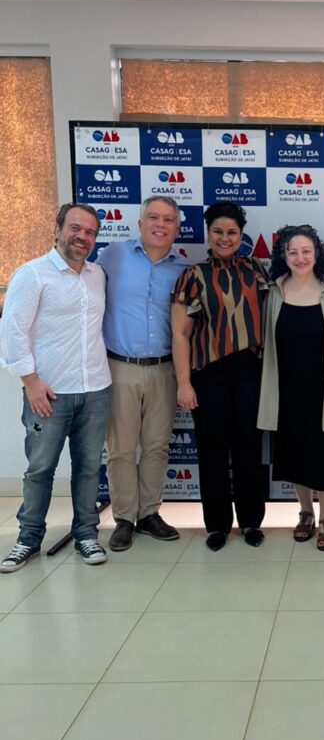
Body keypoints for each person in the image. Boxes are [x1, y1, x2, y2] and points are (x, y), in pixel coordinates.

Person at [0, 203, 112, 571]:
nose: (82, 237)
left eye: (90, 232)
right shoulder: (32, 274)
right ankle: (28, 539)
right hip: (48, 393)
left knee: (88, 469)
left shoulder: (97, 275)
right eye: (75, 228)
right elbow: (12, 332)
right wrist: (30, 383)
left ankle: (86, 535)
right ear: (58, 229)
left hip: (95, 389)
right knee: (40, 469)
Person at [171, 202, 268, 551]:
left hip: (250, 373)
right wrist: (184, 383)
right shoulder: (192, 276)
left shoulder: (256, 270)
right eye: (218, 232)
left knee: (249, 450)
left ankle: (251, 522)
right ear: (208, 233)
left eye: (231, 232)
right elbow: (180, 334)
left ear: (241, 236)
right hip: (208, 376)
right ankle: (216, 525)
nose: (224, 238)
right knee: (211, 451)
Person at [97, 197, 189, 551]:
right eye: (153, 217)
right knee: (120, 448)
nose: (160, 225)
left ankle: (149, 513)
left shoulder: (183, 269)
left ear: (177, 228)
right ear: (140, 223)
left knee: (156, 446)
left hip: (165, 369)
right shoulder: (112, 256)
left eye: (168, 219)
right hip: (119, 366)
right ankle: (124, 517)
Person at [258, 225, 324, 551]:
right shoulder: (273, 291)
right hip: (285, 390)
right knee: (295, 455)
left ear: (317, 254)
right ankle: (306, 513)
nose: (300, 258)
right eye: (292, 252)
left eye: (306, 251)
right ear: (283, 256)